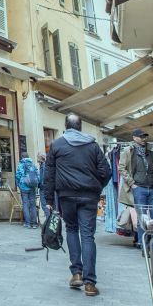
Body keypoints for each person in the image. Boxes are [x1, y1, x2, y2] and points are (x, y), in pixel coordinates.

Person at [43, 114, 113, 296]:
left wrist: (49, 200)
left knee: (72, 230)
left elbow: (49, 175)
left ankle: (76, 274)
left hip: (66, 195)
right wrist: (97, 186)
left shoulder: (57, 145)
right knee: (88, 235)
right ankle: (90, 283)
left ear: (65, 126)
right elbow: (106, 171)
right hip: (89, 196)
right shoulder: (92, 145)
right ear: (80, 127)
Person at [119, 128, 153, 258]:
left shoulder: (151, 150)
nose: (144, 139)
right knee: (143, 219)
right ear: (134, 137)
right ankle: (144, 247)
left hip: (152, 188)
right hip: (139, 188)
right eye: (141, 137)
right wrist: (132, 184)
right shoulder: (128, 151)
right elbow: (121, 168)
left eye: (145, 137)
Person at [15, 155, 40, 228]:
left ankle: (28, 223)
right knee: (33, 205)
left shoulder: (21, 165)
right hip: (32, 188)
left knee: (25, 205)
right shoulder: (33, 164)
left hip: (24, 188)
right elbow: (38, 176)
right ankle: (34, 224)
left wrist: (20, 185)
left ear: (22, 157)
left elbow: (17, 176)